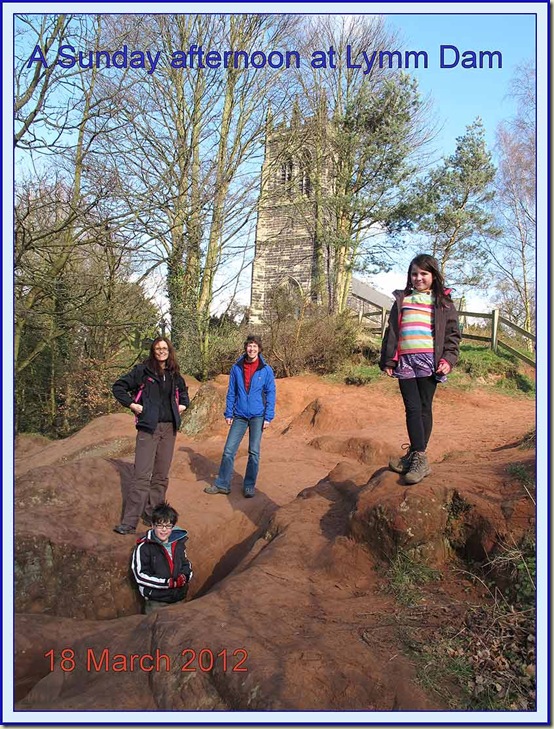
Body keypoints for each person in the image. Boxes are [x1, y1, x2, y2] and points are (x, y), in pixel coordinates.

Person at [379, 254, 461, 485]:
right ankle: (416, 454)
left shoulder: (443, 303)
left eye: (424, 273)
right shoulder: (402, 300)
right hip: (405, 361)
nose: (418, 278)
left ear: (433, 276)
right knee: (412, 408)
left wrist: (448, 359)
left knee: (424, 407)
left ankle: (419, 457)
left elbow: (453, 336)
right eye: (414, 273)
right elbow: (391, 332)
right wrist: (388, 360)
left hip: (429, 361)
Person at [112, 337, 189, 535]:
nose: (161, 351)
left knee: (161, 476)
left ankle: (152, 515)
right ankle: (129, 523)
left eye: (164, 348)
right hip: (148, 428)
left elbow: (183, 392)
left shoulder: (173, 372)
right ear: (153, 351)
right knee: (141, 477)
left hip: (169, 428)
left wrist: (181, 406)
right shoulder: (142, 371)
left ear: (169, 351)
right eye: (158, 348)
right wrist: (133, 405)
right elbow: (118, 387)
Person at [204, 335, 276, 498]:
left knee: (254, 452)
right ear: (245, 348)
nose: (252, 349)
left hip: (258, 415)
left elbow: (271, 393)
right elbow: (232, 392)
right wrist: (229, 413)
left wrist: (268, 416)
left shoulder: (266, 369)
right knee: (229, 450)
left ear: (259, 349)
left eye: (255, 346)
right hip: (240, 415)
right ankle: (222, 484)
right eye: (249, 345)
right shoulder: (237, 367)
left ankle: (249, 485)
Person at [131, 501, 193, 615]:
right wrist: (166, 583)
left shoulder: (178, 544)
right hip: (156, 602)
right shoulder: (144, 547)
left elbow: (186, 564)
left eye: (168, 526)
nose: (164, 530)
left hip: (178, 598)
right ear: (153, 525)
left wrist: (185, 577)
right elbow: (140, 575)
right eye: (160, 525)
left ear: (173, 527)